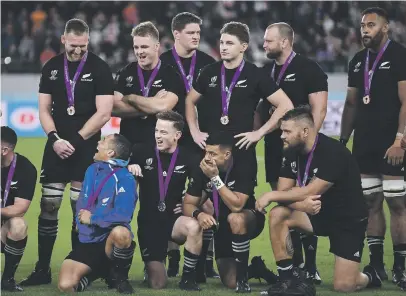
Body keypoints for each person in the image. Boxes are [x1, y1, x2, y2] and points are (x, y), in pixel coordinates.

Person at [21, 18, 114, 286]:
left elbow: (105, 112)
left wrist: (73, 139)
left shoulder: (99, 67)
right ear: (63, 39)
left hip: (85, 147)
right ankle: (42, 269)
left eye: (83, 46)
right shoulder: (51, 67)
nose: (78, 51)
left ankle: (76, 266)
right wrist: (54, 138)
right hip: (56, 146)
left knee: (79, 209)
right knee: (48, 206)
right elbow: (43, 109)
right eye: (73, 46)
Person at [256, 106, 382, 294]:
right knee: (278, 214)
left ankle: (370, 275)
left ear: (305, 131)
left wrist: (270, 195)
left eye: (287, 131)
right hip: (316, 214)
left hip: (346, 220)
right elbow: (285, 192)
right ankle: (286, 280)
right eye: (282, 130)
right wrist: (300, 205)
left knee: (344, 286)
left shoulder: (333, 152)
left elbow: (312, 190)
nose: (282, 135)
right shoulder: (291, 150)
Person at [257, 22, 328, 284]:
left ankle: (310, 266)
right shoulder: (264, 71)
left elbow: (319, 110)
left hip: (303, 150)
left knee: (306, 205)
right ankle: (294, 265)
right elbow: (259, 110)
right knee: (285, 204)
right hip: (275, 148)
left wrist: (310, 146)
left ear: (285, 42)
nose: (263, 45)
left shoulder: (309, 69)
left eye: (268, 41)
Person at [340, 7, 406, 288]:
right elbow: (352, 103)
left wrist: (400, 140)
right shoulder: (357, 61)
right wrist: (343, 142)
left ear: (385, 27)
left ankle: (401, 268)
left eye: (371, 25)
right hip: (364, 145)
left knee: (397, 202)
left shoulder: (400, 55)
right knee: (370, 203)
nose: (365, 30)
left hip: (392, 143)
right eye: (362, 25)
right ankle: (376, 265)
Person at [185, 21, 293, 178]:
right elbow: (189, 101)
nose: (223, 47)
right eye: (221, 42)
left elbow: (286, 105)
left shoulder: (256, 74)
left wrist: (259, 133)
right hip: (210, 149)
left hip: (242, 151)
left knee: (240, 202)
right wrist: (195, 132)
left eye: (229, 43)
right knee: (200, 200)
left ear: (243, 47)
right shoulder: (208, 72)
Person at [160, 11, 218, 280]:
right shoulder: (161, 64)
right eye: (191, 32)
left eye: (198, 32)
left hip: (200, 142)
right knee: (169, 198)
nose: (196, 36)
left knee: (206, 201)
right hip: (172, 142)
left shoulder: (209, 63)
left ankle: (205, 261)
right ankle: (172, 258)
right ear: (177, 34)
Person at [183, 131, 270, 293]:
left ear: (227, 154)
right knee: (229, 281)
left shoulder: (244, 165)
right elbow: (188, 203)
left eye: (213, 153)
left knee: (235, 218)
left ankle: (243, 282)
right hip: (222, 225)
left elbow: (237, 205)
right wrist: (199, 214)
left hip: (249, 218)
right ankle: (256, 269)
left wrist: (215, 178)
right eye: (206, 152)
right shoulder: (203, 167)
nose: (207, 158)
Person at [128, 110, 204, 290]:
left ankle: (188, 279)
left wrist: (188, 202)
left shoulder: (189, 157)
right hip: (149, 223)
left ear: (177, 135)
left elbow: (202, 188)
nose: (158, 136)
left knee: (194, 226)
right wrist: (128, 167)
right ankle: (153, 267)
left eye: (163, 132)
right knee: (158, 284)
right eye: (156, 131)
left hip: (173, 220)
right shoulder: (140, 151)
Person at [58, 133, 137, 294]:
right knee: (66, 286)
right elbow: (83, 203)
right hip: (87, 241)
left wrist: (92, 219)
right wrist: (82, 224)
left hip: (108, 241)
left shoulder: (125, 178)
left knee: (122, 233)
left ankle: (120, 278)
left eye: (103, 141)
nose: (98, 143)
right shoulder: (91, 170)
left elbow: (123, 216)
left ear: (110, 153)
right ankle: (97, 272)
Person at [113, 21, 185, 147]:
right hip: (128, 145)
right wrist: (150, 106)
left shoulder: (171, 75)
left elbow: (163, 106)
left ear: (157, 47)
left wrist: (131, 98)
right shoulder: (125, 72)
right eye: (136, 47)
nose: (139, 52)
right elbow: (113, 108)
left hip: (158, 147)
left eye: (144, 47)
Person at [1, 126, 37, 292]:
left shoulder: (25, 168)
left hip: (3, 226)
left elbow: (20, 208)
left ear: (4, 150)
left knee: (19, 225)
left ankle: (7, 280)